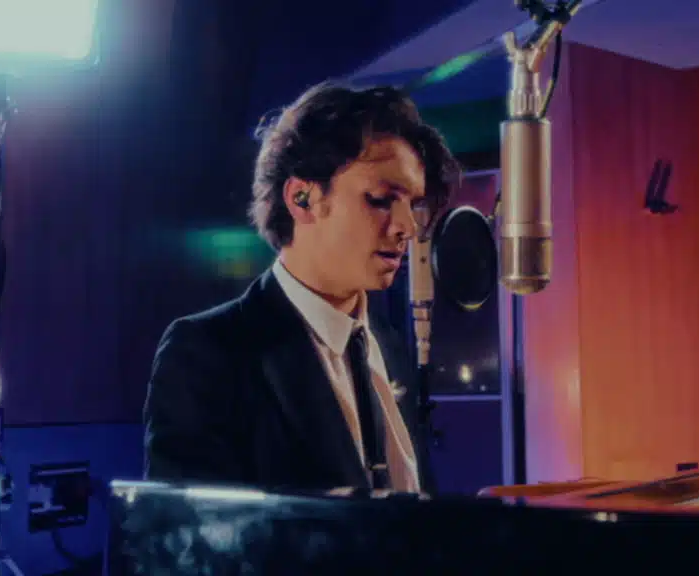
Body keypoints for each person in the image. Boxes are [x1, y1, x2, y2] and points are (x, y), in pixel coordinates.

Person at [142, 82, 461, 494]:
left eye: (413, 204)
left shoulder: (390, 345)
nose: (408, 227)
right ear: (302, 198)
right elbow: (189, 530)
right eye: (382, 199)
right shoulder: (208, 353)